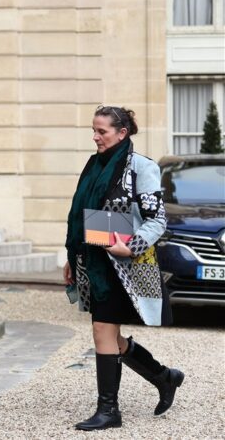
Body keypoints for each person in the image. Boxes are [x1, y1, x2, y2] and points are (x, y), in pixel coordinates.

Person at [64, 105, 184, 431]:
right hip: (95, 261)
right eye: (94, 130)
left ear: (122, 132)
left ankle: (109, 410)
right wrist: (71, 258)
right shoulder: (94, 165)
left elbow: (157, 219)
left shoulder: (141, 167)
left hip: (124, 264)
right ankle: (164, 377)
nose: (95, 136)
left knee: (102, 331)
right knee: (110, 336)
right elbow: (82, 216)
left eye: (101, 131)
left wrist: (131, 245)